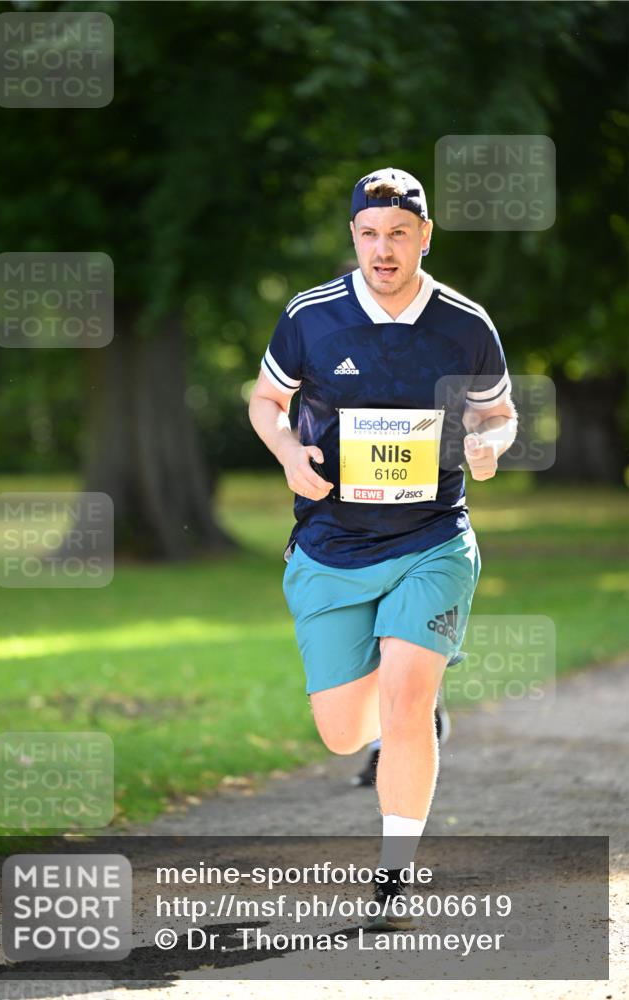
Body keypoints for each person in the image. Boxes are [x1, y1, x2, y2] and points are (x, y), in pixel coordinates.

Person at [248, 167, 517, 928]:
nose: (383, 249)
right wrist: (289, 457)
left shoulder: (465, 323)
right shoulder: (311, 317)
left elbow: (499, 414)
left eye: (399, 233)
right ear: (354, 238)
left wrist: (492, 444)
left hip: (433, 538)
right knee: (341, 734)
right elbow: (267, 401)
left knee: (403, 703)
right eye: (369, 234)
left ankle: (392, 882)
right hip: (330, 545)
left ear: (423, 236)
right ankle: (407, 713)